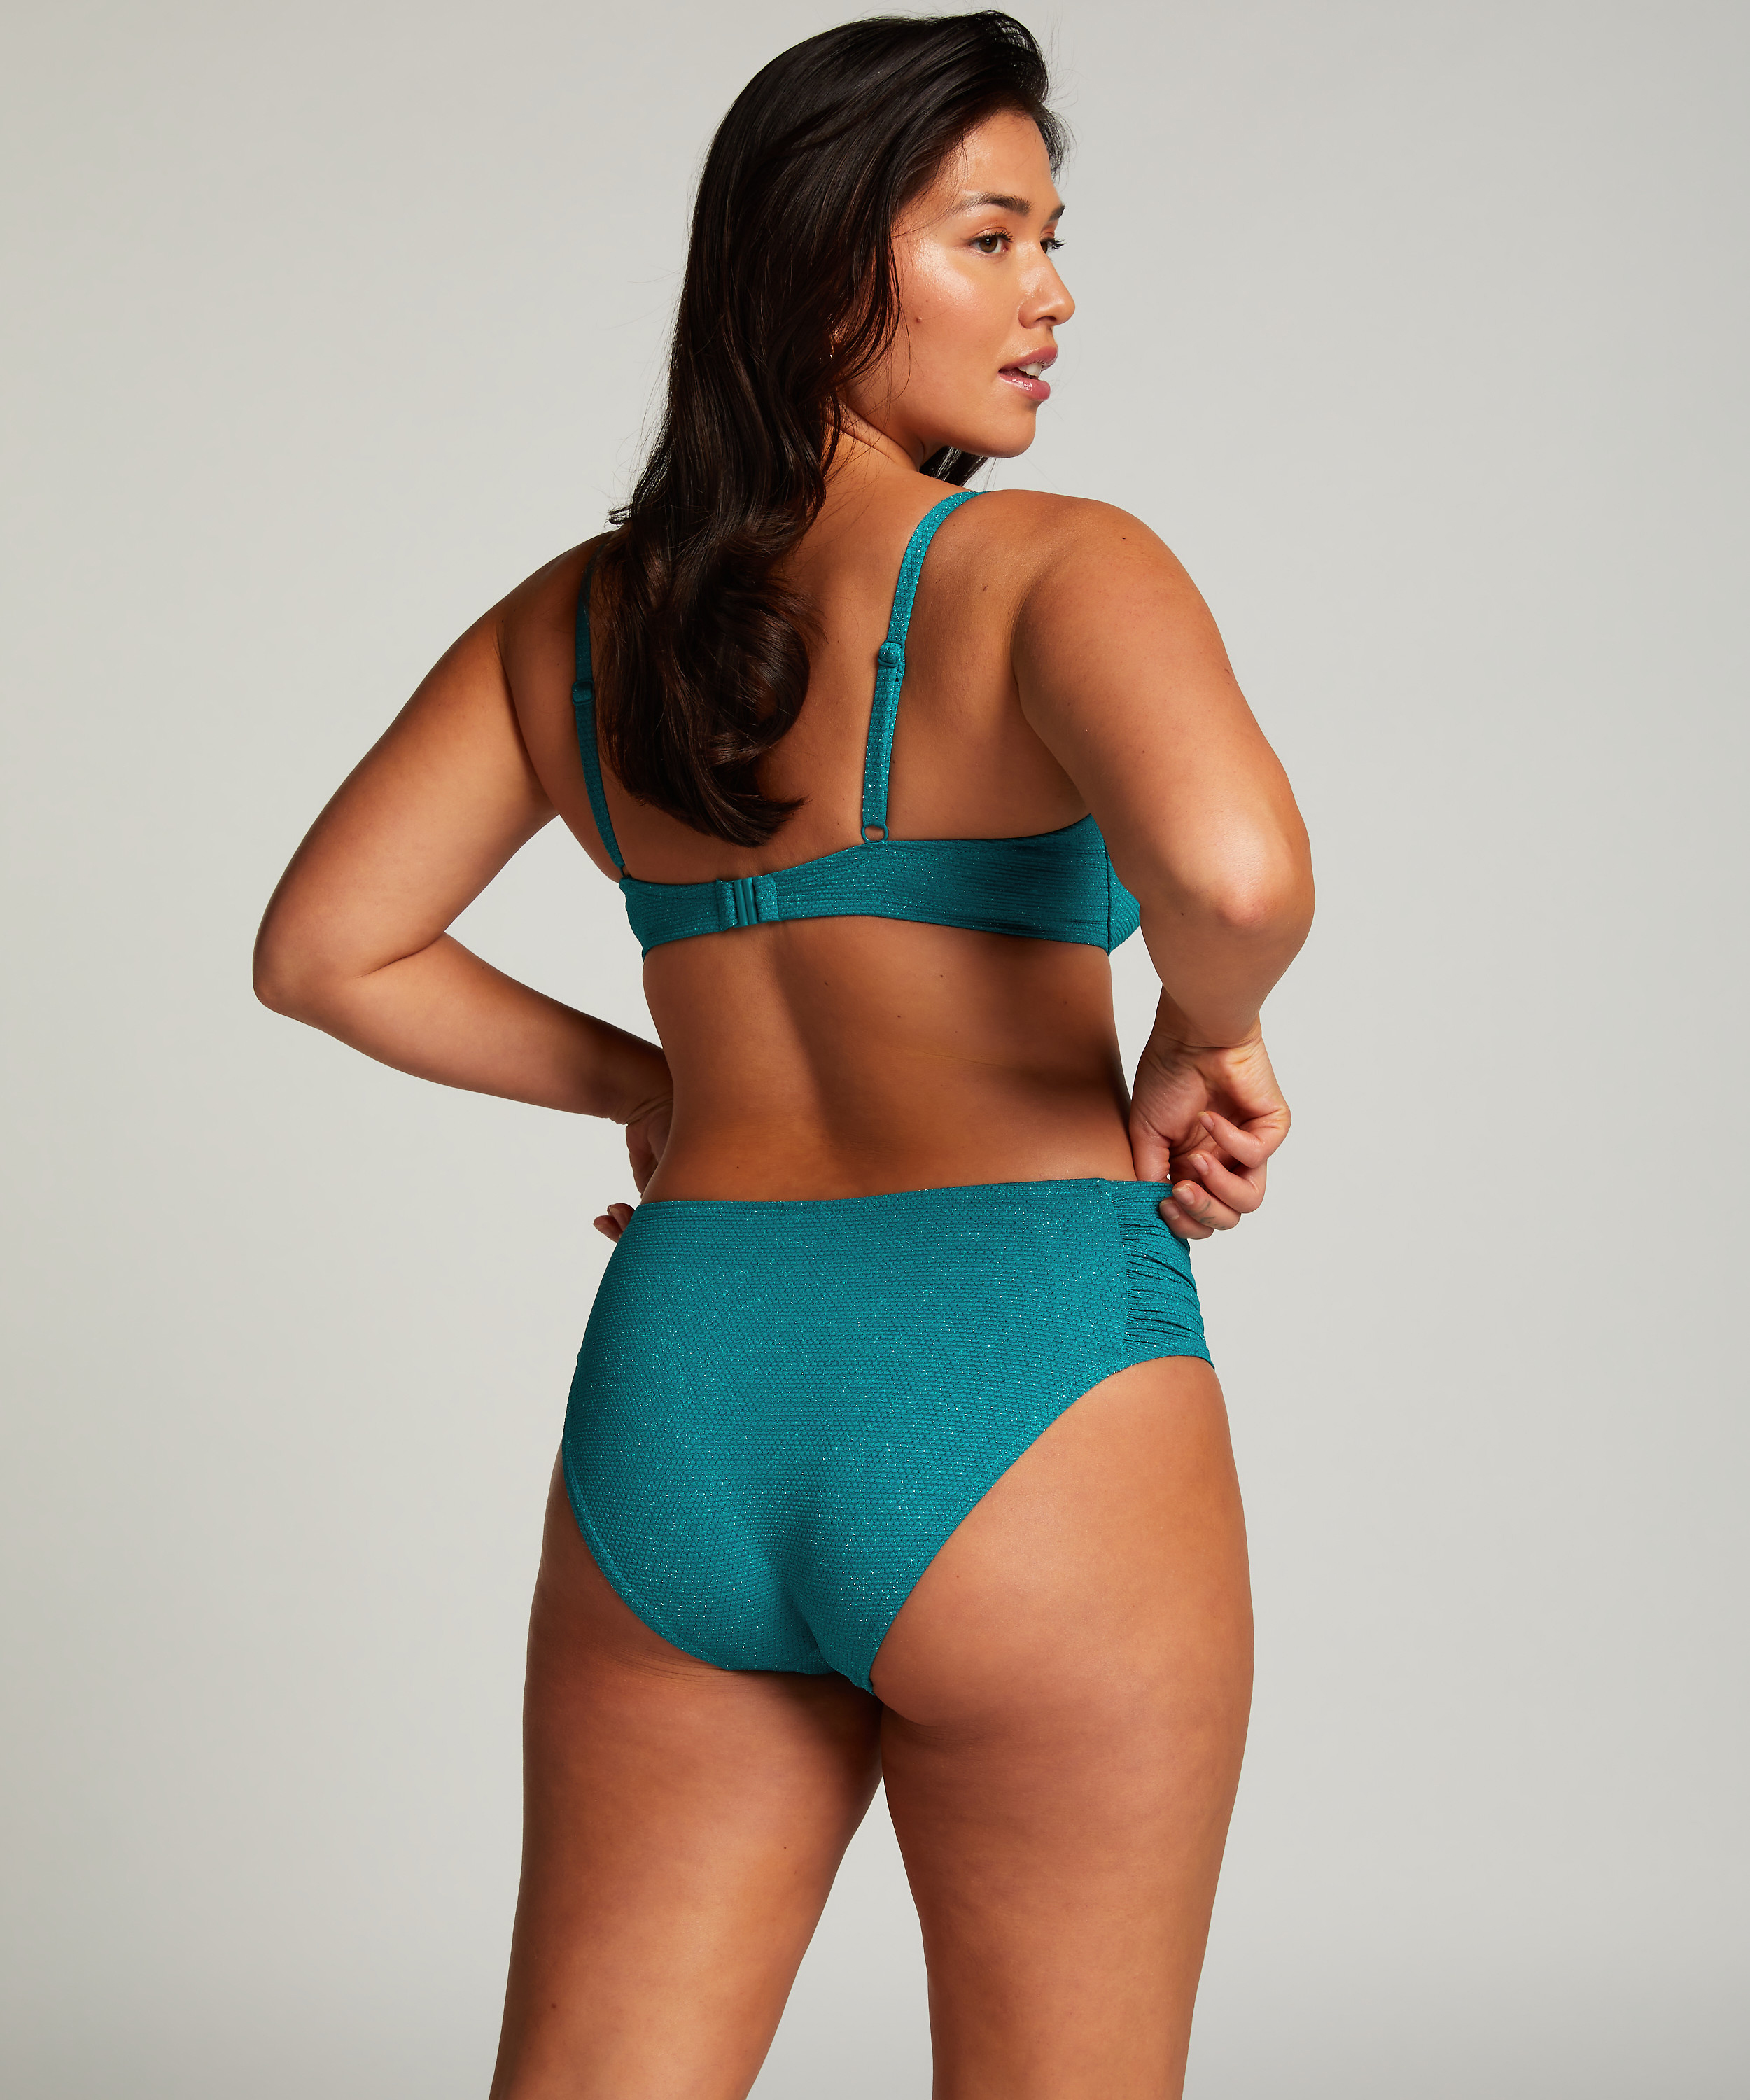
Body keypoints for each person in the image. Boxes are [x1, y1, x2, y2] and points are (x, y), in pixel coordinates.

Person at [253, 13, 1313, 2096]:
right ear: (826, 261)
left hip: (687, 1392)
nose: (1051, 295)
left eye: (1051, 239)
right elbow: (1236, 872)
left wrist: (658, 1090)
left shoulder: (577, 626)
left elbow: (326, 951)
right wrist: (1210, 1026)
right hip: (1028, 1384)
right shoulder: (1057, 567)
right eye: (991, 238)